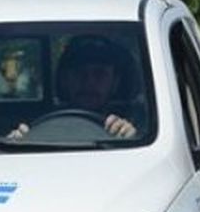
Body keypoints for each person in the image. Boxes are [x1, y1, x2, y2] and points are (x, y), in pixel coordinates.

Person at [10, 36, 141, 139]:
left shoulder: (149, 127)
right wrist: (19, 143)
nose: (89, 82)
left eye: (100, 74)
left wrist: (130, 137)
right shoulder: (37, 124)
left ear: (115, 82)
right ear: (64, 80)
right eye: (79, 73)